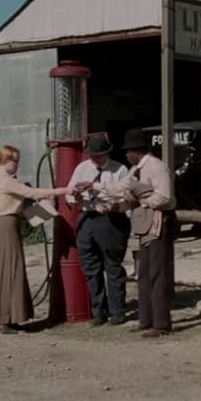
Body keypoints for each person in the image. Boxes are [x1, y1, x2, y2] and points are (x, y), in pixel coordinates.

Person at [80, 128, 177, 338]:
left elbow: (166, 197)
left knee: (157, 274)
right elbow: (118, 187)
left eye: (128, 151)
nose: (125, 155)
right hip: (144, 223)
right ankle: (146, 319)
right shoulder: (135, 171)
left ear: (136, 151)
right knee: (144, 274)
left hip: (158, 221)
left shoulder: (156, 167)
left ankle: (161, 323)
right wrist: (94, 185)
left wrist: (140, 201)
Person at [0, 145, 74, 334]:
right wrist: (64, 190)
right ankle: (5, 318)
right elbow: (33, 193)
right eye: (15, 161)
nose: (17, 165)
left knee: (6, 269)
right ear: (5, 160)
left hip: (7, 224)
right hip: (8, 224)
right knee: (11, 269)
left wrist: (45, 207)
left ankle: (5, 317)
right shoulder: (6, 181)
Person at [66, 135, 130, 326]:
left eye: (100, 156)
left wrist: (100, 191)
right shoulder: (82, 168)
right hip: (87, 218)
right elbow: (69, 193)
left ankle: (117, 311)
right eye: (93, 156)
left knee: (113, 266)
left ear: (107, 153)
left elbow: (123, 194)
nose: (96, 160)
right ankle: (98, 311)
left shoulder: (120, 169)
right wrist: (75, 195)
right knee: (90, 267)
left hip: (110, 219)